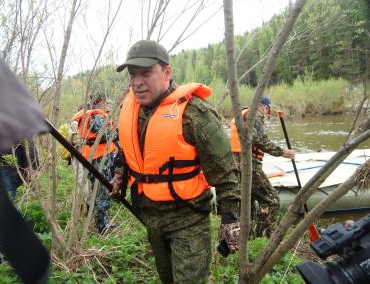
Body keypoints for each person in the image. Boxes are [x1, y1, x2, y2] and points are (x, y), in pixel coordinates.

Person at [110, 40, 240, 284]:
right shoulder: (132, 110)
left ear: (167, 72)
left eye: (146, 73)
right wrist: (119, 177)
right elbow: (126, 151)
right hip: (151, 218)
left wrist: (230, 218)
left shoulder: (195, 113)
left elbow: (226, 172)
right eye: (132, 75)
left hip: (188, 221)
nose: (137, 82)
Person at [230, 96, 296, 238]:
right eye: (267, 110)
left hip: (237, 165)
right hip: (249, 165)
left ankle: (249, 238)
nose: (266, 113)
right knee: (272, 200)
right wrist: (282, 152)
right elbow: (260, 140)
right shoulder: (255, 116)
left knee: (248, 204)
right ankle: (263, 237)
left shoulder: (243, 114)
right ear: (264, 107)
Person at [69, 92, 116, 234]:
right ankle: (103, 227)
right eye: (106, 102)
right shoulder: (96, 115)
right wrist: (120, 133)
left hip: (93, 157)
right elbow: (106, 133)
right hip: (100, 158)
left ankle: (103, 222)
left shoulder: (90, 114)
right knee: (101, 191)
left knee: (98, 190)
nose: (107, 104)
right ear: (101, 102)